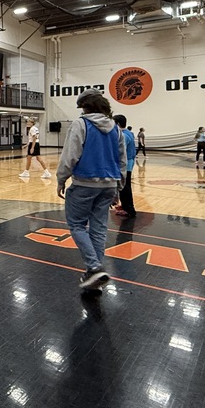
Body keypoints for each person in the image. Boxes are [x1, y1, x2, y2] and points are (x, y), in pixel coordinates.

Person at [56, 89, 127, 291]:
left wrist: (61, 178)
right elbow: (121, 161)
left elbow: (70, 155)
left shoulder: (81, 124)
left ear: (85, 107)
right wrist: (118, 188)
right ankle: (93, 276)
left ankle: (94, 267)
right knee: (99, 229)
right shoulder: (116, 129)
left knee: (77, 225)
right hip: (109, 185)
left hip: (85, 184)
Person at [113, 114, 137, 217]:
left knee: (124, 187)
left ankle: (129, 209)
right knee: (125, 186)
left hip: (125, 164)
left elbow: (120, 151)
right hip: (129, 162)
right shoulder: (128, 133)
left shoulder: (123, 136)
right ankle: (125, 206)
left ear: (117, 124)